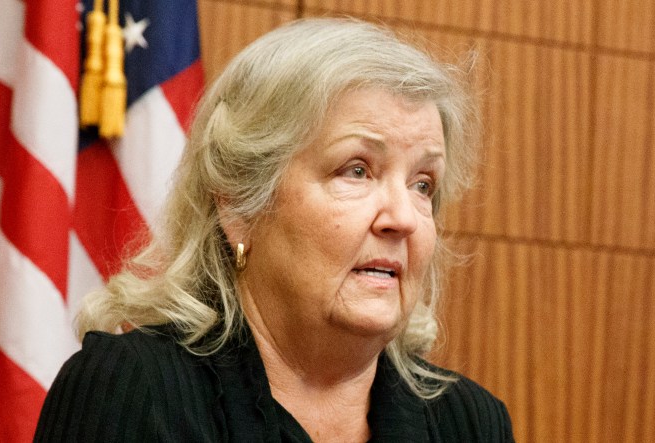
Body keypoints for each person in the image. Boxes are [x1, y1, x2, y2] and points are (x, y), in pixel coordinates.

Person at [35, 17, 513, 442]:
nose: (404, 218)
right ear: (239, 204)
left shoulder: (470, 422)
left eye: (423, 184)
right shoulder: (132, 390)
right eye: (357, 171)